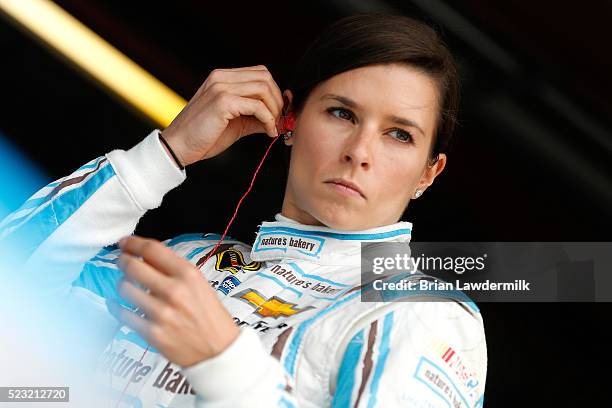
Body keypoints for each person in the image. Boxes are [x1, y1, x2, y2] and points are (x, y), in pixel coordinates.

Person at [0, 12, 487, 408]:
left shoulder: (420, 315)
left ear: (429, 173)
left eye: (399, 134)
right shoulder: (188, 262)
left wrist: (225, 367)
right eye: (342, 113)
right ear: (290, 119)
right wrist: (165, 154)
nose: (360, 151)